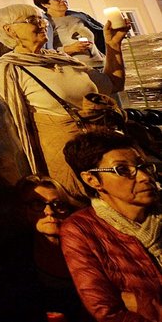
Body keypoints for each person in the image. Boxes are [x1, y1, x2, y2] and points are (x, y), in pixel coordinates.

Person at [0, 4, 128, 197]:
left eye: (42, 20)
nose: (42, 24)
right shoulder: (9, 68)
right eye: (32, 20)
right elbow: (14, 124)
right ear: (9, 30)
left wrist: (113, 45)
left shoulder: (62, 58)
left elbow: (113, 83)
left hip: (102, 145)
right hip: (67, 156)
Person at [61, 130, 162, 321]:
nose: (144, 177)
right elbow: (106, 311)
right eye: (122, 170)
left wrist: (142, 304)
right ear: (92, 179)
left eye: (145, 166)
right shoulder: (81, 230)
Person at [0, 175, 90, 321]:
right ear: (23, 210)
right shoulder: (11, 255)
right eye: (38, 204)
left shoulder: (88, 248)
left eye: (58, 204)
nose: (49, 211)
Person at [35, 0, 106, 68]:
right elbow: (42, 51)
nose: (63, 0)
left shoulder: (81, 16)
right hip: (75, 69)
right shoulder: (44, 23)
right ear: (44, 4)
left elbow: (103, 32)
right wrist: (69, 49)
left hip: (101, 64)